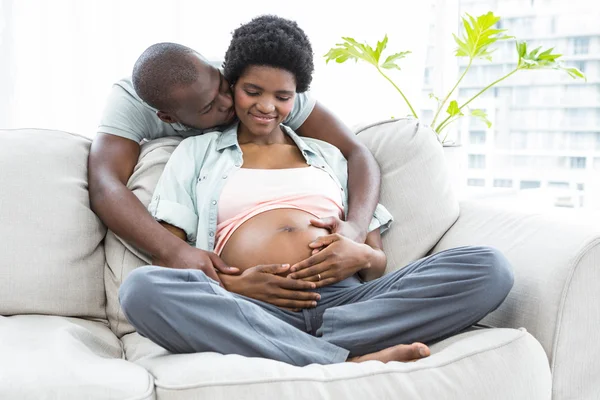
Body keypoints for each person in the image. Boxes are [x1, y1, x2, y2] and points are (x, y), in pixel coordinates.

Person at [118, 15, 514, 367]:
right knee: (141, 290)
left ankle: (295, 349)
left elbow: (375, 261)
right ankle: (344, 358)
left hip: (348, 303)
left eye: (282, 96)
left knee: (489, 267)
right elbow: (169, 257)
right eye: (253, 92)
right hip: (249, 305)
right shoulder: (194, 153)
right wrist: (233, 285)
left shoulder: (330, 156)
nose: (266, 107)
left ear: (297, 96)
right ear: (233, 86)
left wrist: (357, 250)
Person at [89, 41, 380, 297]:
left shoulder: (260, 85)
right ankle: (339, 349)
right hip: (243, 299)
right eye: (209, 107)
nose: (229, 102)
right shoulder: (141, 110)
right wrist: (177, 252)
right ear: (169, 118)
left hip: (342, 292)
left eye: (222, 86)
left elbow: (356, 152)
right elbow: (105, 186)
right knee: (142, 289)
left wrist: (356, 231)